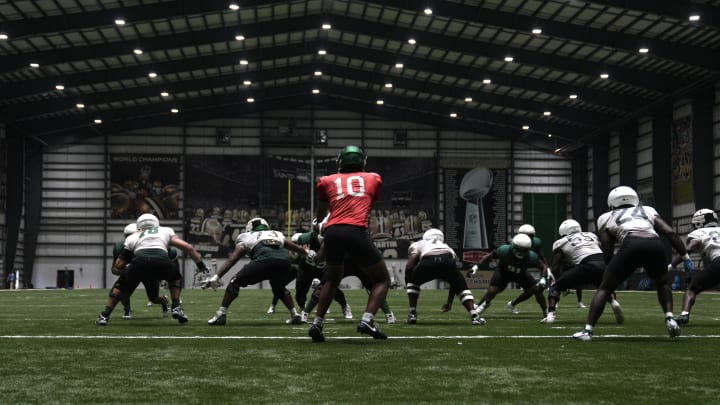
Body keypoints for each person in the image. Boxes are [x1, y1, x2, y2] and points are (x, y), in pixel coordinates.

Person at [572, 186, 690, 341]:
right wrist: (685, 256)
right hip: (655, 244)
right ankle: (670, 318)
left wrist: (609, 268)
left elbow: (607, 245)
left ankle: (587, 331)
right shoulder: (647, 210)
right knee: (662, 284)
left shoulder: (605, 217)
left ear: (611, 201)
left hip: (631, 244)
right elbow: (669, 232)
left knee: (605, 288)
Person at [307, 145, 391, 342]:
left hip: (332, 232)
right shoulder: (374, 178)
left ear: (340, 162)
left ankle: (317, 323)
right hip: (355, 231)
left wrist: (317, 224)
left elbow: (321, 212)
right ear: (362, 162)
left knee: (332, 280)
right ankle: (367, 320)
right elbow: (367, 204)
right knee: (382, 280)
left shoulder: (326, 180)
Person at [96, 213, 206, 325]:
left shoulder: (131, 238)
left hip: (138, 265)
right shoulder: (166, 230)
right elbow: (189, 247)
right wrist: (201, 266)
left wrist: (126, 272)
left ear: (139, 226)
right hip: (161, 261)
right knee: (175, 278)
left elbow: (118, 266)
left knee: (120, 286)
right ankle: (176, 307)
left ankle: (105, 316)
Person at [202, 217, 310, 325]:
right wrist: (307, 252)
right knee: (279, 288)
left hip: (264, 261)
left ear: (250, 227)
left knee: (235, 282)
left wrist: (216, 276)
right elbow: (296, 248)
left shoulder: (246, 236)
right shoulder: (276, 234)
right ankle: (294, 315)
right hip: (284, 263)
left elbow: (233, 259)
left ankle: (221, 314)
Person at [541, 219, 623, 324]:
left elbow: (556, 267)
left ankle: (550, 315)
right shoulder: (591, 235)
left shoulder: (561, 242)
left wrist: (558, 281)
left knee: (555, 286)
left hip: (587, 264)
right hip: (604, 264)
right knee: (603, 287)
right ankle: (613, 301)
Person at [406, 228, 484, 325]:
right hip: (447, 259)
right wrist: (449, 302)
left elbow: (409, 266)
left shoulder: (418, 243)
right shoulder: (447, 247)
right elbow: (454, 283)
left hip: (428, 261)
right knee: (462, 288)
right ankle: (474, 315)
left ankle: (412, 313)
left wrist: (408, 282)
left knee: (413, 283)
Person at [472, 233, 548, 318]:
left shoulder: (531, 256)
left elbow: (543, 267)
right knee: (492, 290)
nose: (522, 253)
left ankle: (546, 312)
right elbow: (489, 256)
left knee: (536, 290)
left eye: (525, 250)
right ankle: (485, 303)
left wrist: (543, 279)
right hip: (504, 272)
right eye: (520, 249)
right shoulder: (504, 251)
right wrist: (477, 266)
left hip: (520, 274)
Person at [113, 223, 171, 320]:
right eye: (128, 236)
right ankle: (127, 309)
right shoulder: (120, 247)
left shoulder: (151, 245)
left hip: (148, 272)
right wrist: (123, 271)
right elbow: (115, 269)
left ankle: (163, 301)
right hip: (132, 273)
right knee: (124, 294)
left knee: (153, 298)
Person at [670, 209, 716, 325]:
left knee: (691, 289)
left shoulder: (699, 232)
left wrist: (672, 265)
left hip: (718, 261)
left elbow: (689, 249)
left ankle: (684, 315)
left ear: (699, 223)